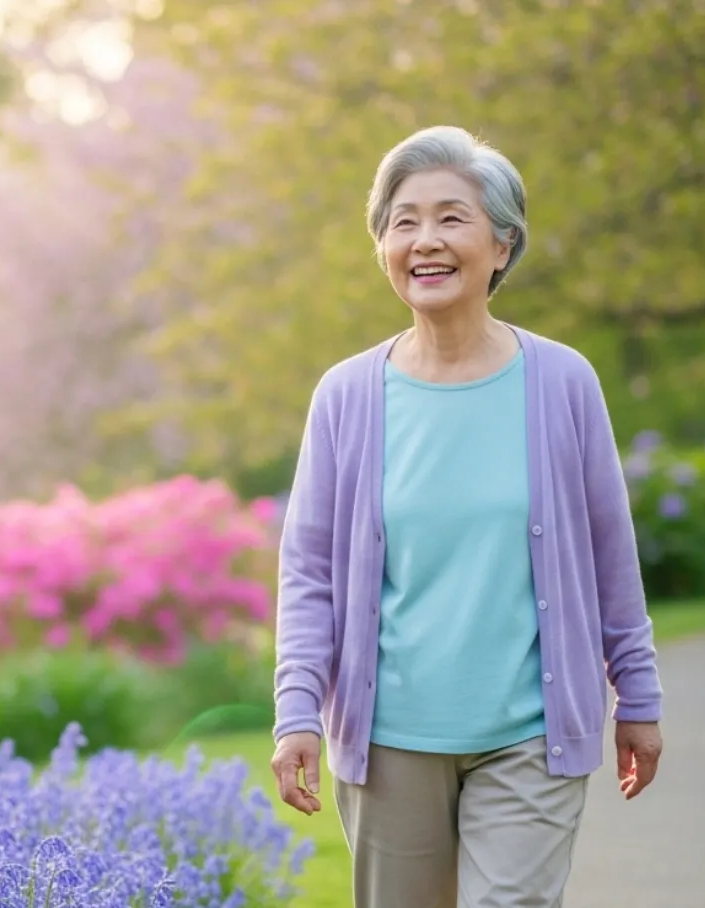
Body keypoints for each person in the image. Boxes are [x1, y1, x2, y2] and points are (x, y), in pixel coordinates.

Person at [268, 125, 665, 908]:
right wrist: (297, 711)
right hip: (389, 744)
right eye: (403, 221)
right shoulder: (347, 396)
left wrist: (639, 698)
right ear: (383, 245)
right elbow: (308, 572)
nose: (425, 241)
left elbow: (609, 555)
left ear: (502, 245)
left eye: (452, 217)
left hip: (530, 735)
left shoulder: (562, 382)